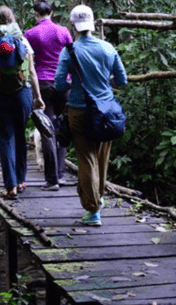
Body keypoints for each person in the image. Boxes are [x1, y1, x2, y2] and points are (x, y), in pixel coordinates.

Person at [55, 4, 127, 225]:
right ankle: (98, 198)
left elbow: (59, 84)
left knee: (87, 160)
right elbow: (122, 80)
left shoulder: (70, 51)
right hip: (106, 110)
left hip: (80, 111)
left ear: (72, 25)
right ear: (93, 24)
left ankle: (93, 209)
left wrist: (74, 82)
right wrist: (104, 82)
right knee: (102, 159)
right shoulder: (107, 48)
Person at [0, 5, 45, 199]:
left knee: (5, 138)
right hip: (21, 93)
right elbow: (32, 71)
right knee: (19, 135)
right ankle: (21, 180)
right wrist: (38, 96)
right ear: (12, 19)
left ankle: (10, 186)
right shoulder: (22, 39)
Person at [24, 0, 73, 191]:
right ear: (52, 12)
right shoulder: (64, 32)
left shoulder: (29, 34)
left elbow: (26, 60)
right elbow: (72, 56)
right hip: (63, 83)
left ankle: (51, 179)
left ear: (35, 14)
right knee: (61, 126)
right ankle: (60, 174)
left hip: (42, 84)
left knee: (46, 129)